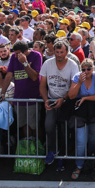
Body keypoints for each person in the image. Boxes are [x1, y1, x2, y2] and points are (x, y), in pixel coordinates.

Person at [39, 40, 79, 170]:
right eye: (57, 52)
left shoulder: (72, 64)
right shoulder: (47, 63)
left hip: (66, 101)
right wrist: (45, 99)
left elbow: (74, 86)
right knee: (49, 126)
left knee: (64, 130)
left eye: (62, 52)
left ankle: (63, 155)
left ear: (67, 52)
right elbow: (42, 85)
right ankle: (51, 150)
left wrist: (63, 98)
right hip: (51, 100)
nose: (59, 55)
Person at [67, 58, 95, 179]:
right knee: (81, 140)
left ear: (93, 69)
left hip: (94, 109)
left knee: (93, 139)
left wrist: (85, 98)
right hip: (80, 112)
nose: (86, 71)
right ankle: (79, 165)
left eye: (89, 69)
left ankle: (91, 161)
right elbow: (71, 95)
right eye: (83, 69)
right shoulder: (77, 77)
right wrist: (79, 83)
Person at [0, 40, 42, 140]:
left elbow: (35, 77)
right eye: (15, 53)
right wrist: (2, 93)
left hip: (32, 98)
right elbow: (9, 75)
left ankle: (37, 146)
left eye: (18, 53)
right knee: (22, 124)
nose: (16, 56)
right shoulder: (13, 57)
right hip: (19, 97)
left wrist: (25, 63)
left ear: (25, 52)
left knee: (34, 125)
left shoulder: (36, 56)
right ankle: (26, 147)